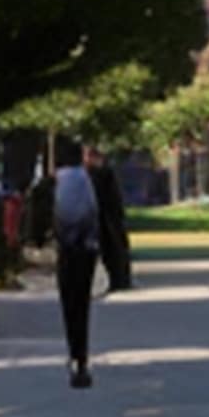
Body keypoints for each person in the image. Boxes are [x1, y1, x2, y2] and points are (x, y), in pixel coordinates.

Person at [51, 141, 123, 387]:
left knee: (68, 301)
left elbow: (37, 219)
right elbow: (113, 215)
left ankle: (75, 354)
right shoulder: (97, 178)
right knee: (82, 302)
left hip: (65, 249)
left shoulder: (52, 182)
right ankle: (80, 358)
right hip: (89, 248)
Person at [81, 143, 135, 295]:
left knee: (111, 247)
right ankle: (119, 279)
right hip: (105, 216)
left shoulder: (100, 174)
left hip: (104, 216)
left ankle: (118, 279)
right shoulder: (99, 174)